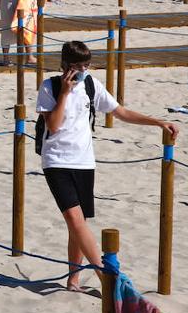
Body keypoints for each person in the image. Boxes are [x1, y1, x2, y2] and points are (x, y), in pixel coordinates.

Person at [37, 41, 178, 291]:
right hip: (56, 161)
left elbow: (120, 112)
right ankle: (106, 278)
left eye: (86, 65)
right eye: (77, 66)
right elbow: (54, 126)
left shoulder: (91, 84)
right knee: (73, 218)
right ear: (64, 65)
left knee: (77, 225)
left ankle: (74, 278)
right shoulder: (50, 87)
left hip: (84, 161)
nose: (82, 71)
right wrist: (65, 93)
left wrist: (157, 122)